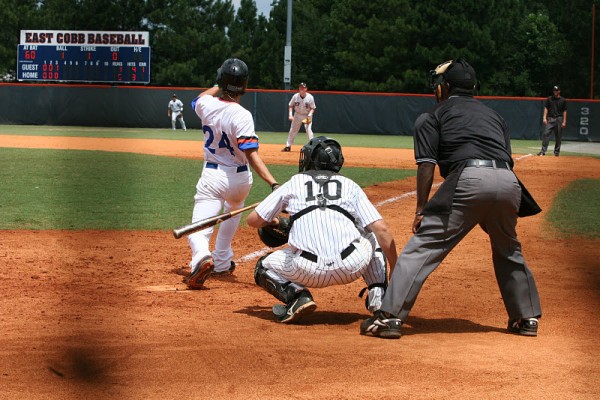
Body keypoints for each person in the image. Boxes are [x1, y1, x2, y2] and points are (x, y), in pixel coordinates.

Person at [361, 59, 542, 339]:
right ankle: (525, 318)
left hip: (469, 180)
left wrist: (421, 209)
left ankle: (389, 317)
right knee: (508, 248)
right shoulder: (495, 117)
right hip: (508, 182)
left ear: (444, 87)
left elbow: (426, 164)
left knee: (423, 247)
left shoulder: (433, 115)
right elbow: (505, 158)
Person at [247, 136, 398, 323]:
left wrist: (277, 222)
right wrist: (395, 268)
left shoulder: (293, 183)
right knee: (370, 233)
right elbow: (382, 229)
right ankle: (379, 300)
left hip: (307, 271)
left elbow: (253, 220)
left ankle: (297, 297)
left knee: (263, 266)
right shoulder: (351, 186)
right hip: (350, 267)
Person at [185, 58, 280, 289]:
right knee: (232, 213)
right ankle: (222, 261)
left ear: (221, 81)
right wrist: (273, 183)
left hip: (213, 176)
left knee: (198, 229)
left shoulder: (206, 104)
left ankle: (201, 258)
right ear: (245, 86)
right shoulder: (243, 115)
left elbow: (195, 100)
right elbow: (251, 154)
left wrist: (219, 83)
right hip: (240, 179)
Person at [281, 82, 316, 152]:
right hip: (297, 115)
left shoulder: (310, 97)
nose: (301, 89)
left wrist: (310, 115)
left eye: (303, 87)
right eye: (300, 87)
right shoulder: (295, 96)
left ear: (306, 89)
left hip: (307, 116)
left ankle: (313, 147)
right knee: (293, 130)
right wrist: (290, 114)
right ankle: (288, 146)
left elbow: (313, 108)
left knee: (308, 130)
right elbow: (290, 105)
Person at [538, 85, 567, 156]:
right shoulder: (549, 99)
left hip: (559, 119)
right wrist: (544, 117)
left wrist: (564, 121)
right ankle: (543, 151)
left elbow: (565, 111)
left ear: (559, 91)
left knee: (558, 136)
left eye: (556, 90)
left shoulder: (563, 100)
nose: (555, 92)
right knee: (546, 133)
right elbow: (546, 108)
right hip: (550, 118)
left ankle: (556, 152)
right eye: (554, 90)